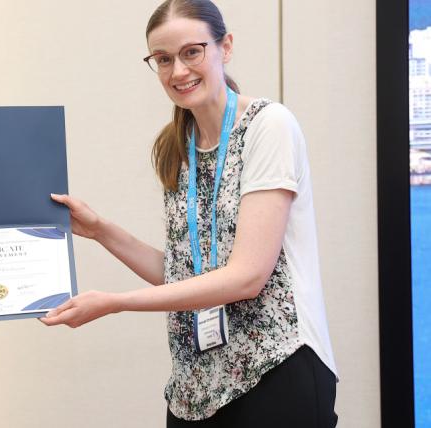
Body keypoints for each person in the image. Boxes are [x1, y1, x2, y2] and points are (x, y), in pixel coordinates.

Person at [40, 1, 338, 426]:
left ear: (226, 46)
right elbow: (184, 274)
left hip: (275, 372)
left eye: (191, 52)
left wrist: (115, 303)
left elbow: (247, 277)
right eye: (163, 59)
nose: (178, 71)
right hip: (193, 391)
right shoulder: (177, 145)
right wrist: (100, 230)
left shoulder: (269, 127)